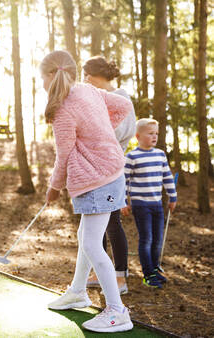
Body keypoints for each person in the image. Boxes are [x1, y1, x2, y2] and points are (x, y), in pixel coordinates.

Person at [43, 50, 134, 333]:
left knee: (93, 243)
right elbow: (122, 105)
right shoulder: (87, 89)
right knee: (86, 236)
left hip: (98, 179)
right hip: (110, 173)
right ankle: (78, 291)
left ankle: (117, 311)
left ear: (49, 76)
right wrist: (103, 131)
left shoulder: (61, 108)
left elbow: (64, 153)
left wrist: (54, 187)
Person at [82, 56, 137, 295]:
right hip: (94, 170)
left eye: (87, 74)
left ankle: (120, 279)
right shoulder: (95, 99)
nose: (84, 79)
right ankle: (97, 272)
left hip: (111, 171)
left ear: (98, 75)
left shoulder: (122, 98)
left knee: (113, 223)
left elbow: (119, 132)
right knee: (96, 225)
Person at [122, 118, 177, 289]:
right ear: (138, 136)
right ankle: (148, 274)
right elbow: (124, 181)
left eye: (156, 134)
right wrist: (123, 201)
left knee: (157, 239)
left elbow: (167, 177)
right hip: (140, 204)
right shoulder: (132, 157)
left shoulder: (160, 154)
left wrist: (172, 196)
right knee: (146, 238)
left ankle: (155, 268)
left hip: (157, 204)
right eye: (150, 133)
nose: (154, 137)